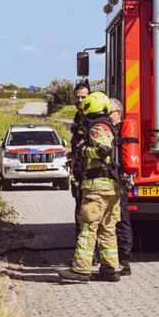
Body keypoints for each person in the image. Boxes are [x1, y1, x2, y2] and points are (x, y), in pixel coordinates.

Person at [59, 91, 121, 283]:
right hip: (111, 187)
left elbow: (103, 150)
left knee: (88, 227)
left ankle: (80, 270)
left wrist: (82, 150)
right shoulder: (109, 126)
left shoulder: (97, 127)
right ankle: (110, 269)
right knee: (107, 229)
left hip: (97, 188)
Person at [108, 97, 132, 276]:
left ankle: (124, 261)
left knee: (121, 220)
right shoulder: (107, 130)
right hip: (108, 182)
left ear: (119, 113)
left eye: (109, 112)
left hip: (119, 182)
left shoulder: (121, 132)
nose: (106, 116)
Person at [68, 81, 92, 227]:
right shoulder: (78, 116)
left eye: (83, 97)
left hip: (90, 172)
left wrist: (77, 155)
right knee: (79, 211)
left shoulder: (91, 118)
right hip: (79, 171)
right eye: (77, 97)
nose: (80, 100)